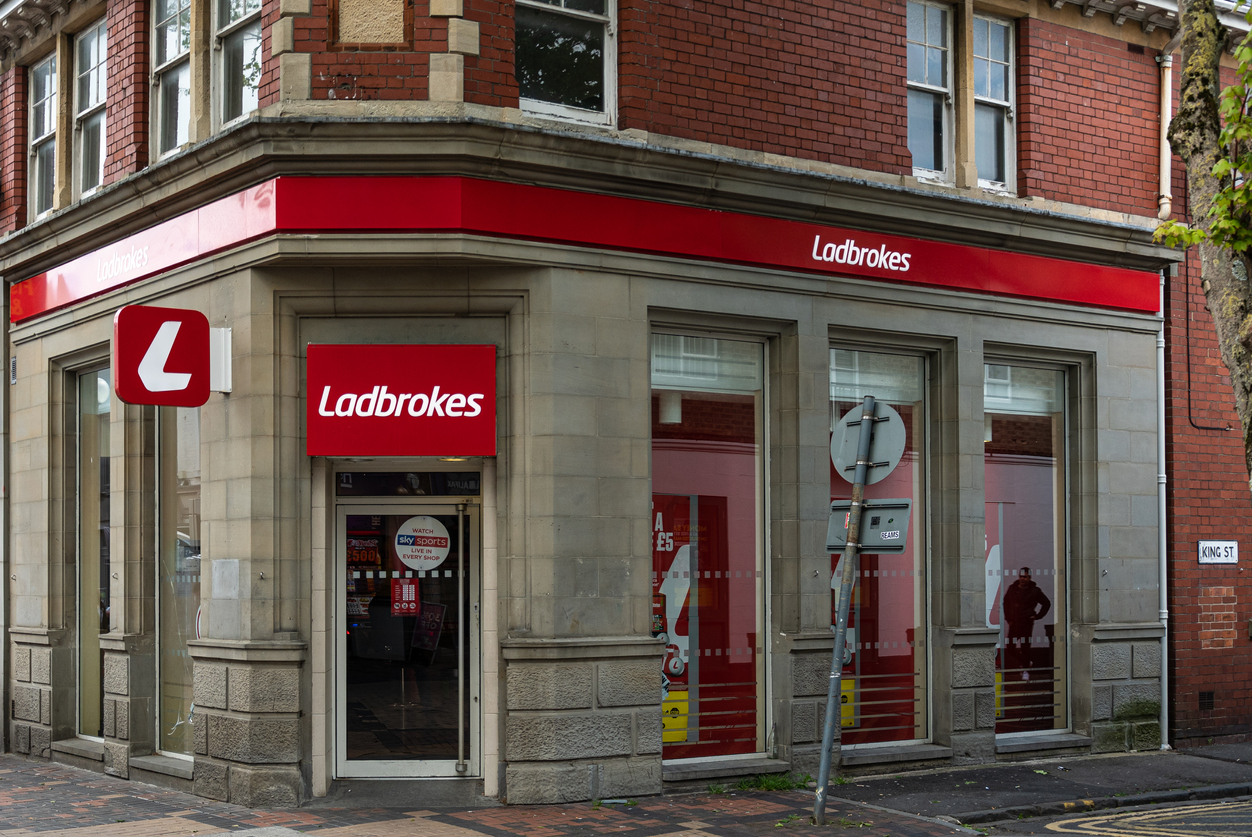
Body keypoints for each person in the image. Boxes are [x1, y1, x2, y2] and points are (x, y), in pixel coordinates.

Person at [1002, 567, 1051, 680]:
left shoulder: (1035, 591)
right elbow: (1006, 603)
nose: (1022, 579)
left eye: (1025, 577)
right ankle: (1026, 662)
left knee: (1025, 647)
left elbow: (1046, 603)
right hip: (1014, 623)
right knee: (1010, 646)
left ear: (1029, 578)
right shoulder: (1012, 589)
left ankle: (1025, 670)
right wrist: (1008, 619)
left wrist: (1037, 616)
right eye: (1021, 576)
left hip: (1026, 623)